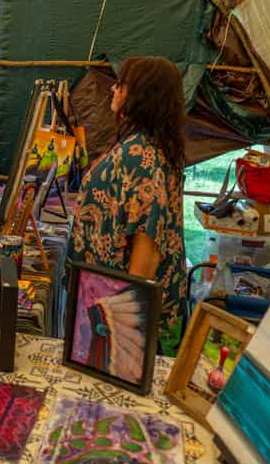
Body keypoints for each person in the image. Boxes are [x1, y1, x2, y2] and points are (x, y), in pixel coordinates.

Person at [69, 56, 188, 337]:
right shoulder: (141, 145)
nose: (113, 90)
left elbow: (147, 249)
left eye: (120, 85)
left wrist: (122, 329)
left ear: (141, 96)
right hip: (109, 302)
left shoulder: (143, 157)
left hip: (120, 316)